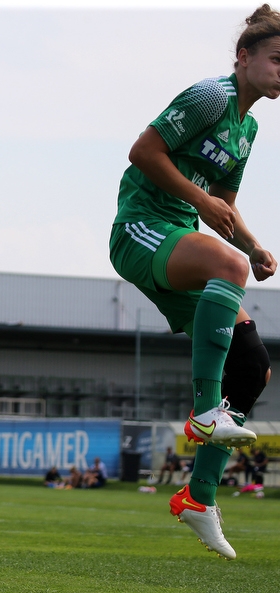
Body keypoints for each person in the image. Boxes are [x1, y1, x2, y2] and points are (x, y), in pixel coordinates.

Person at [109, 5, 280, 560]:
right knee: (227, 267)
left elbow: (221, 203)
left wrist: (253, 245)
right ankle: (206, 411)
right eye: (278, 60)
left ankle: (199, 497)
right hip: (142, 228)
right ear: (244, 57)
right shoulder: (210, 96)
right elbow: (143, 152)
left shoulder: (248, 127)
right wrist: (204, 205)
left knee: (253, 366)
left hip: (179, 235)